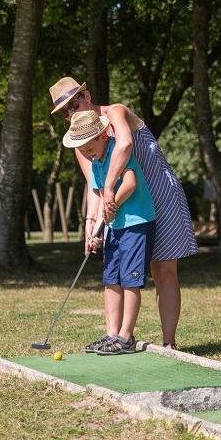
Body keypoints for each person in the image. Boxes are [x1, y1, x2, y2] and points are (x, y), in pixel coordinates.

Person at [49, 77, 198, 350]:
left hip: (158, 193)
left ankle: (169, 344)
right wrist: (92, 223)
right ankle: (115, 335)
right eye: (64, 112)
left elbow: (124, 146)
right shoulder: (81, 139)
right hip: (122, 207)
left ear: (87, 96)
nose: (71, 113)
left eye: (73, 103)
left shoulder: (115, 112)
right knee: (115, 274)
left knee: (163, 270)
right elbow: (93, 185)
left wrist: (109, 190)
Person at [64, 110, 156, 355]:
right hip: (115, 226)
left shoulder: (117, 151)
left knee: (130, 280)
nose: (85, 152)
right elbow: (101, 194)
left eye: (88, 145)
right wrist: (96, 230)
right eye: (81, 148)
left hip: (136, 224)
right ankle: (111, 333)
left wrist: (112, 205)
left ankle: (126, 337)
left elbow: (129, 183)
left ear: (104, 135)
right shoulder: (96, 162)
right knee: (111, 279)